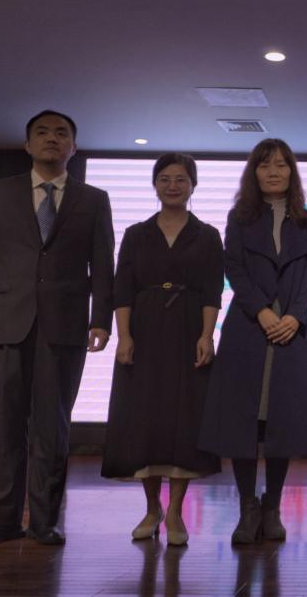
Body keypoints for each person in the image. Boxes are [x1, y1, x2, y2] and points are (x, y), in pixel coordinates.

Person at [0, 110, 115, 546]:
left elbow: (103, 264)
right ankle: (2, 521)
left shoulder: (93, 199)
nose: (51, 139)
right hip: (6, 320)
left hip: (65, 325)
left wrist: (101, 319)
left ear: (73, 147)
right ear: (27, 145)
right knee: (5, 425)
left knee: (52, 426)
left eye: (61, 133)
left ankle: (45, 522)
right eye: (42, 132)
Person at [199, 138, 307, 544]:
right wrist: (262, 311)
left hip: (292, 330)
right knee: (243, 422)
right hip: (248, 328)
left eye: (281, 165)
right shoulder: (239, 217)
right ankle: (247, 507)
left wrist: (293, 315)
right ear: (253, 172)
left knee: (281, 422)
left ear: (292, 172)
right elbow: (234, 268)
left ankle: (272, 506)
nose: (274, 172)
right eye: (265, 164)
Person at [100, 153, 224, 546]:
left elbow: (212, 291)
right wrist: (124, 336)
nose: (173, 186)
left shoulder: (208, 235)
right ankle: (152, 508)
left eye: (181, 179)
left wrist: (207, 336)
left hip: (188, 331)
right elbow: (123, 289)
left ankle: (175, 512)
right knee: (145, 418)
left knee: (184, 419)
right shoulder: (136, 234)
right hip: (145, 330)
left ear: (193, 185)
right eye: (165, 179)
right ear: (154, 185)